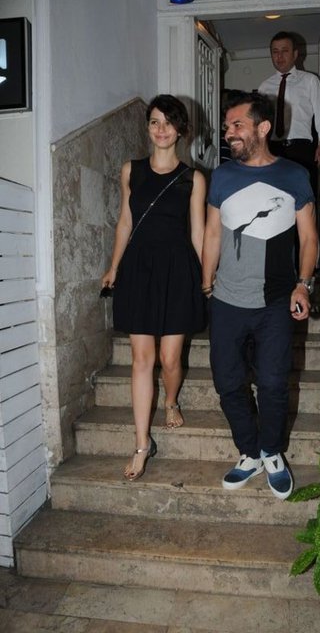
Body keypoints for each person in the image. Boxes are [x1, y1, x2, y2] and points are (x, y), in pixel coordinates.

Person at [202, 91, 318, 499]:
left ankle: (271, 451)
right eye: (227, 127)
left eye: (237, 125)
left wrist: (304, 284)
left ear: (263, 127)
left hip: (275, 300)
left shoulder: (294, 175)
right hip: (227, 300)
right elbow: (212, 234)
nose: (228, 133)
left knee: (272, 382)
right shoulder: (222, 176)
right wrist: (206, 285)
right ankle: (249, 452)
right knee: (228, 382)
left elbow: (309, 238)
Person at [102, 94, 206, 481]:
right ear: (148, 128)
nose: (161, 129)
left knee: (171, 358)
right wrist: (114, 266)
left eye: (168, 122)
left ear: (181, 130)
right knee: (141, 359)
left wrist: (204, 276)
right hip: (139, 269)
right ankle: (142, 443)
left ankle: (171, 399)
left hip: (178, 269)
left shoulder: (194, 178)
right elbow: (125, 222)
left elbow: (198, 232)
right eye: (154, 122)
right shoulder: (131, 170)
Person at [258, 31, 320, 189]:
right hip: (273, 148)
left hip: (301, 148)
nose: (279, 56)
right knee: (276, 193)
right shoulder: (265, 86)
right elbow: (260, 121)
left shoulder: (309, 81)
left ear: (295, 54)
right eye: (275, 52)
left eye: (285, 51)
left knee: (303, 192)